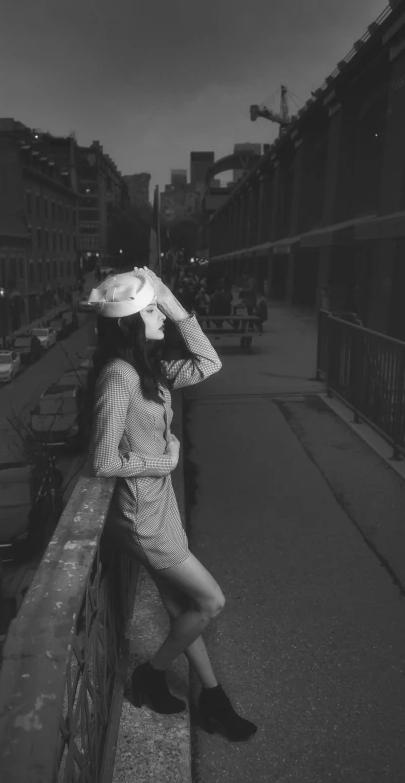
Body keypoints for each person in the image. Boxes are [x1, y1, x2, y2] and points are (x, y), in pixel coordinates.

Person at [86, 267, 257, 741]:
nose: (160, 312)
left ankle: (214, 699)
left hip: (157, 507)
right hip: (143, 518)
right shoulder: (120, 376)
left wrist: (176, 305)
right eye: (152, 308)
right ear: (129, 322)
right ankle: (152, 674)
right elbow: (101, 459)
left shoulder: (151, 368)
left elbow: (209, 363)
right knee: (210, 601)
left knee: (179, 602)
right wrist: (166, 461)